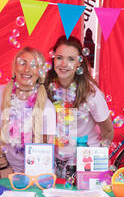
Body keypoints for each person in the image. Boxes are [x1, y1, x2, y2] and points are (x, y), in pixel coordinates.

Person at [44, 35, 114, 179]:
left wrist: (97, 161)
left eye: (71, 59)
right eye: (59, 57)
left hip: (84, 162)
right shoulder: (46, 87)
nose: (64, 64)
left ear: (79, 64)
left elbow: (107, 130)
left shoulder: (91, 93)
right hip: (55, 161)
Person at [0, 47, 56, 178]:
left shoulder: (47, 107)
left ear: (40, 72)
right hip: (1, 168)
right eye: (23, 63)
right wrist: (3, 165)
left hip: (34, 172)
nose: (27, 69)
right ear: (15, 67)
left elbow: (47, 148)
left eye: (33, 65)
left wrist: (34, 173)